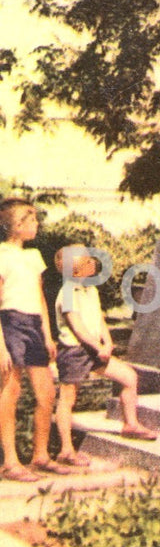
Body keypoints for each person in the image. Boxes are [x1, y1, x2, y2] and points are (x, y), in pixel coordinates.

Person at [54, 245, 157, 466]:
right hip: (74, 351)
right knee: (67, 398)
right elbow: (77, 326)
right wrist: (96, 346)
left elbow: (99, 320)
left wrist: (107, 342)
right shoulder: (68, 292)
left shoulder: (91, 290)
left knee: (129, 377)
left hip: (94, 349)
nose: (93, 263)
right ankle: (66, 450)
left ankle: (130, 424)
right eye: (88, 261)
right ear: (76, 269)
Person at [0, 199, 69, 481]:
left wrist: (48, 333)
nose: (37, 225)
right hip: (9, 323)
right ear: (17, 226)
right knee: (11, 392)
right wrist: (1, 345)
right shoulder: (2, 255)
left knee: (47, 393)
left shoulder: (34, 256)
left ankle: (40, 455)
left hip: (34, 325)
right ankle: (11, 462)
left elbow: (40, 297)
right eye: (32, 221)